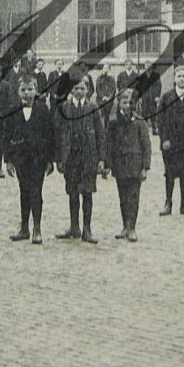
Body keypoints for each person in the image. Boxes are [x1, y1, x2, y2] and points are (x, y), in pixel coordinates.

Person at [4, 75, 56, 244]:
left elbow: (50, 135)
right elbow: (7, 135)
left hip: (38, 159)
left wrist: (50, 160)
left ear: (36, 90)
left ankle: (37, 228)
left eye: (30, 90)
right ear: (18, 92)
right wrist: (9, 159)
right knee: (23, 191)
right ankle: (24, 227)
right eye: (23, 90)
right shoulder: (12, 110)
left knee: (36, 191)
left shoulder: (43, 110)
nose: (27, 93)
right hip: (20, 158)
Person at [54, 78, 107, 243]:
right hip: (71, 157)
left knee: (88, 192)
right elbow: (57, 133)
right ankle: (74, 226)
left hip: (88, 157)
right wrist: (59, 158)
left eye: (82, 88)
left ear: (88, 90)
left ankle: (87, 229)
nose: (79, 91)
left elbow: (101, 134)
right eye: (76, 88)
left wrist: (101, 159)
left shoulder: (93, 108)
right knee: (72, 192)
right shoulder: (64, 108)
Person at [153, 66, 184, 216]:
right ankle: (168, 202)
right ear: (174, 79)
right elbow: (160, 120)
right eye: (179, 76)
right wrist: (164, 139)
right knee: (169, 172)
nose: (181, 79)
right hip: (170, 142)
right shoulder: (166, 97)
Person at [105, 86, 151, 242]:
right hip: (120, 165)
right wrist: (108, 165)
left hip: (135, 165)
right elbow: (109, 144)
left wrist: (145, 167)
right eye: (124, 102)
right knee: (122, 197)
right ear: (119, 103)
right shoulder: (113, 123)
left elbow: (146, 146)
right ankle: (125, 225)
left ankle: (132, 227)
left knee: (133, 197)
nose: (128, 106)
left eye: (131, 103)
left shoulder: (140, 122)